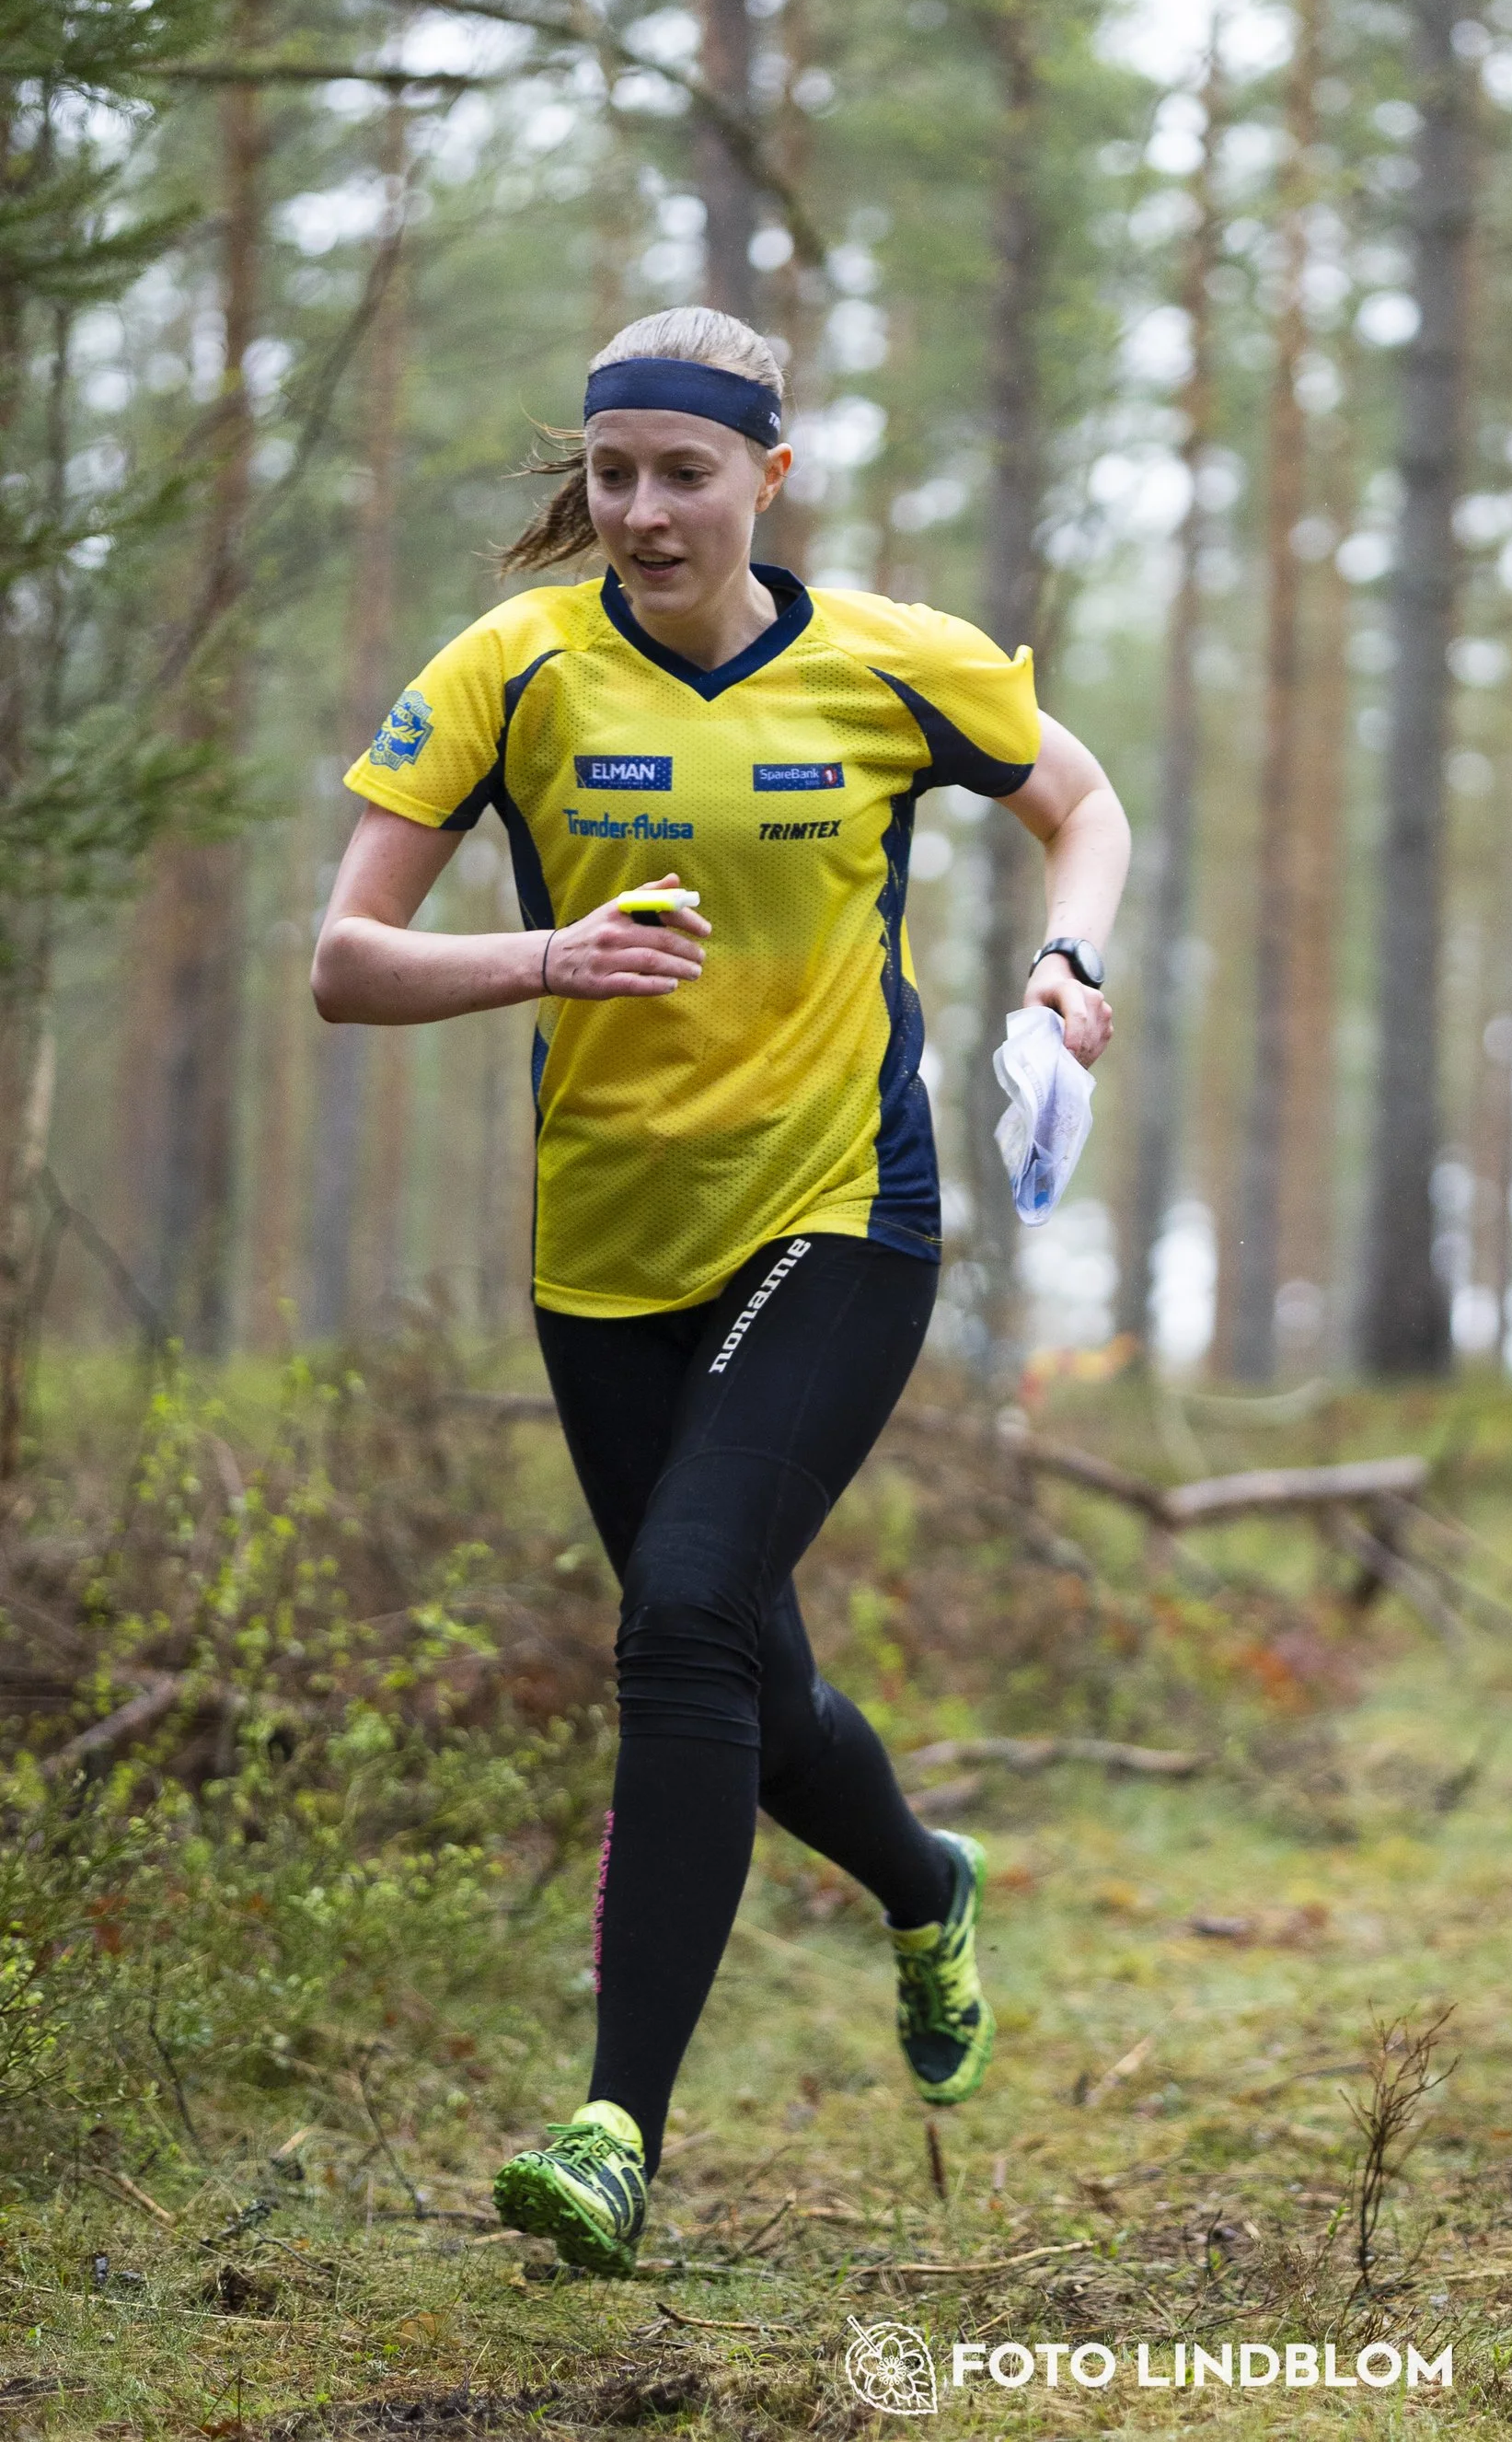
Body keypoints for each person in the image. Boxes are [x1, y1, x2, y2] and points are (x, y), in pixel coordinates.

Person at [311, 306, 1128, 2277]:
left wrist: (1069, 971)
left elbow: (1079, 808)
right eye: (613, 475)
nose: (645, 512)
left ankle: (614, 2129)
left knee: (679, 1619)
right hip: (602, 1254)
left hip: (836, 1212)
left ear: (771, 476)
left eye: (687, 473)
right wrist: (543, 959)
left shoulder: (889, 663)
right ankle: (925, 1881)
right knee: (740, 1670)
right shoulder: (509, 671)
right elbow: (345, 956)